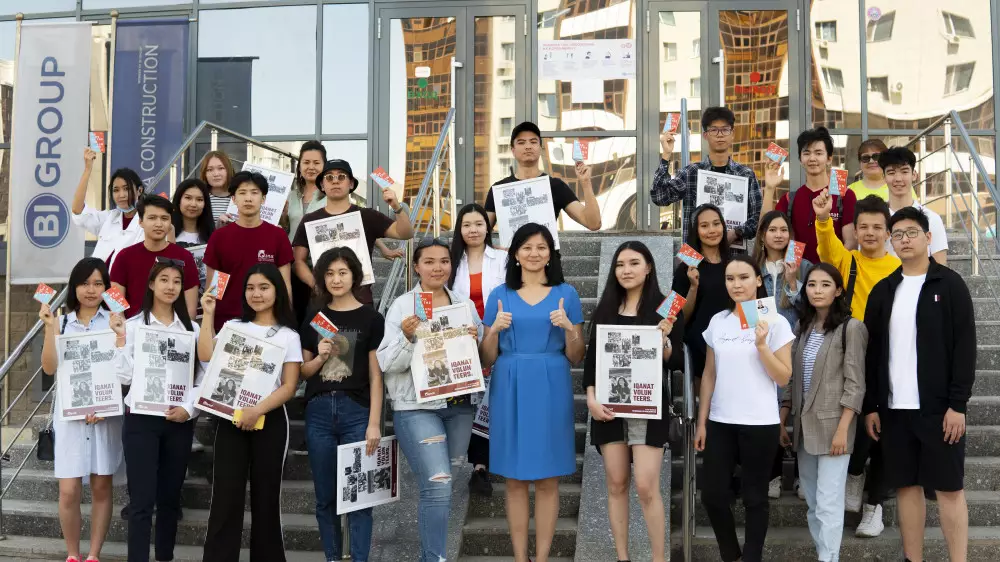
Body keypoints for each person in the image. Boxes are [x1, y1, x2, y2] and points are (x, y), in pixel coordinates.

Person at [864, 206, 976, 562]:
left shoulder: (950, 285)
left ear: (928, 237)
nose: (904, 240)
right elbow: (873, 354)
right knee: (906, 488)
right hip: (895, 410)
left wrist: (957, 405)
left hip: (939, 410)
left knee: (949, 489)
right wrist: (872, 405)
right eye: (897, 234)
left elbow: (965, 348)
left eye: (912, 232)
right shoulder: (883, 291)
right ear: (890, 241)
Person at [481, 223, 586, 562]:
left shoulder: (566, 294)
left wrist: (569, 328)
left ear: (550, 254)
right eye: (526, 247)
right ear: (515, 254)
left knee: (548, 478)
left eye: (541, 247)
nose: (534, 253)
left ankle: (541, 557)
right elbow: (486, 358)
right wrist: (492, 332)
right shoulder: (499, 295)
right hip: (509, 381)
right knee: (513, 479)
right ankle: (519, 557)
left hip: (551, 382)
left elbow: (577, 355)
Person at [377, 237, 482, 562]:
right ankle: (435, 558)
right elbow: (386, 363)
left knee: (444, 483)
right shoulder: (403, 306)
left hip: (459, 406)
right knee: (438, 483)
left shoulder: (463, 305)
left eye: (444, 261)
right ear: (416, 267)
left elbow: (479, 356)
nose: (438, 268)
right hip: (416, 407)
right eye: (429, 261)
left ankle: (432, 554)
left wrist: (478, 338)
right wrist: (408, 338)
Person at [584, 241, 684, 562]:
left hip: (647, 406)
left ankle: (659, 558)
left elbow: (675, 362)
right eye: (620, 264)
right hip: (608, 406)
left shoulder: (666, 307)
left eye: (634, 263)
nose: (626, 270)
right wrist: (591, 399)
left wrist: (664, 339)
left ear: (649, 267)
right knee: (616, 483)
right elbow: (591, 362)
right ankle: (622, 557)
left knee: (645, 485)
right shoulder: (605, 309)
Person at [199, 263, 302, 562]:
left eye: (264, 287)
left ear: (277, 291)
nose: (256, 294)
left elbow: (290, 386)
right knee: (225, 497)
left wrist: (256, 410)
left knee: (266, 499)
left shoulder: (289, 336)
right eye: (250, 288)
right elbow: (206, 355)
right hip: (230, 418)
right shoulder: (233, 326)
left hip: (270, 420)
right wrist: (208, 314)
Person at [694, 255, 794, 562]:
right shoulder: (718, 321)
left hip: (759, 422)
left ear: (758, 280)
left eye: (744, 277)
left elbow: (783, 376)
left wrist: (762, 346)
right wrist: (702, 421)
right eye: (730, 278)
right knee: (712, 495)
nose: (736, 284)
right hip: (720, 421)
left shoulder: (775, 321)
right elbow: (709, 374)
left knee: (754, 498)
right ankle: (732, 555)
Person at [113, 260, 205, 562]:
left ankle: (165, 557)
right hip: (140, 421)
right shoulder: (132, 326)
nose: (170, 287)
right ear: (151, 284)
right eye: (164, 280)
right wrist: (120, 339)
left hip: (178, 421)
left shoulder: (192, 329)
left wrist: (188, 409)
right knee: (141, 500)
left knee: (169, 499)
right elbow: (123, 377)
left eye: (177, 281)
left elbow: (204, 377)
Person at [300, 247, 384, 562]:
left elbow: (376, 376)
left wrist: (374, 423)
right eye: (330, 273)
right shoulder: (315, 318)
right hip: (319, 411)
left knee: (360, 497)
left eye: (343, 272)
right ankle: (333, 558)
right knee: (325, 498)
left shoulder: (371, 318)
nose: (336, 279)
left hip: (356, 411)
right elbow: (303, 373)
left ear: (354, 276)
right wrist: (321, 357)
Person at [39, 257, 124, 562]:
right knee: (68, 490)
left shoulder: (115, 320)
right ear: (74, 287)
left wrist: (121, 334)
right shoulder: (61, 322)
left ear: (107, 288)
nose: (91, 290)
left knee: (102, 485)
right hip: (70, 416)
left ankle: (94, 554)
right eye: (84, 283)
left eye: (98, 283)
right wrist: (49, 328)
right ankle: (73, 554)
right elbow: (49, 367)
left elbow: (123, 369)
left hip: (105, 415)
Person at [780, 263, 867, 562]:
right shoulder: (801, 327)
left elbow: (855, 385)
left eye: (825, 284)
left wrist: (844, 429)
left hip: (835, 428)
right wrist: (783, 419)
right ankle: (825, 554)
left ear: (838, 290)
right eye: (812, 284)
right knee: (814, 504)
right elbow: (792, 380)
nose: (817, 290)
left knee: (829, 503)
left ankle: (829, 559)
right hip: (804, 429)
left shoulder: (851, 328)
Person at [292, 159, 414, 306]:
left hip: (361, 301)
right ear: (322, 185)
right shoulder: (310, 220)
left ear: (351, 184)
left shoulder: (368, 216)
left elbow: (405, 234)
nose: (335, 181)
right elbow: (298, 261)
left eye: (341, 176)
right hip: (324, 303)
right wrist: (316, 284)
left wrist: (396, 206)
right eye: (329, 177)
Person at [447, 203, 507, 497]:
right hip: (460, 343)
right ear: (459, 229)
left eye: (479, 224)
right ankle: (477, 465)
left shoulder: (503, 259)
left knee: (491, 402)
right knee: (471, 404)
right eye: (467, 224)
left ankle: (487, 463)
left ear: (488, 227)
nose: (473, 230)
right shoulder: (449, 262)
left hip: (498, 339)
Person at [752, 210, 811, 499]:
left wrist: (792, 281)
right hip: (761, 347)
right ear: (762, 235)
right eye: (772, 230)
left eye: (783, 230)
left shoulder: (804, 266)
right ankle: (773, 474)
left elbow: (811, 309)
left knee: (798, 407)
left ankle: (801, 475)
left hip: (796, 346)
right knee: (767, 409)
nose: (778, 235)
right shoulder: (752, 267)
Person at [650, 106, 762, 248]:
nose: (720, 135)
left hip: (732, 255)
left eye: (725, 129)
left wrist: (736, 232)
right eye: (714, 130)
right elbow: (660, 197)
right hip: (695, 256)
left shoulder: (745, 175)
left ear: (732, 134)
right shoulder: (691, 173)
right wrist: (666, 155)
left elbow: (758, 218)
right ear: (705, 135)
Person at [203, 171, 295, 331]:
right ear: (233, 199)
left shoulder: (277, 236)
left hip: (268, 322)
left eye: (254, 193)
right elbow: (214, 288)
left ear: (263, 199)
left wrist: (284, 322)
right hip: (228, 322)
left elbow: (285, 285)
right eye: (242, 192)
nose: (248, 198)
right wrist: (209, 328)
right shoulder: (220, 237)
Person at [484, 121, 601, 233]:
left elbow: (593, 223)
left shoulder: (556, 186)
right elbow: (483, 231)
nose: (528, 146)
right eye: (521, 142)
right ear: (513, 150)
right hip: (511, 248)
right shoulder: (499, 189)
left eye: (533, 142)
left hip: (546, 248)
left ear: (540, 149)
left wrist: (586, 183)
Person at [764, 127, 859, 263]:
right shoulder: (789, 199)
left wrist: (831, 272)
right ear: (800, 159)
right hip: (798, 273)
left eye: (818, 153)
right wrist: (769, 188)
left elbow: (850, 243)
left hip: (833, 272)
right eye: (806, 153)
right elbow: (765, 229)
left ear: (829, 159)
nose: (812, 158)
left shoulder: (845, 196)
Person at [110, 195, 200, 320]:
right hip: (132, 329)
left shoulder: (185, 257)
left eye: (164, 218)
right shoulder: (123, 256)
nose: (159, 224)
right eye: (152, 218)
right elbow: (115, 304)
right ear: (140, 222)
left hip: (174, 329)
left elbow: (190, 309)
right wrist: (124, 329)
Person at [671, 204, 730, 391]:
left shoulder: (735, 264)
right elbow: (675, 316)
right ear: (696, 231)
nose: (712, 230)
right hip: (700, 351)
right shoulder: (685, 269)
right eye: (704, 226)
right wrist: (693, 287)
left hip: (733, 347)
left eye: (716, 224)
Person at [71, 148, 145, 269]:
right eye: (116, 190)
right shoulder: (108, 218)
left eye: (126, 189)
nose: (121, 195)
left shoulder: (147, 222)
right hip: (97, 279)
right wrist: (88, 169)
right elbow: (77, 211)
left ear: (139, 190)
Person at [880, 147, 948, 265]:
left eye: (904, 172)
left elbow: (940, 266)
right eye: (891, 173)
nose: (898, 179)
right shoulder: (877, 218)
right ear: (883, 177)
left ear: (914, 175)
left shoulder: (932, 219)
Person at [847, 139, 920, 202]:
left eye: (876, 157)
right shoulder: (849, 191)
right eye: (865, 158)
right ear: (860, 162)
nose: (871, 161)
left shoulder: (900, 186)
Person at [170, 178, 215, 248]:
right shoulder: (165, 233)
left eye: (199, 199)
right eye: (188, 198)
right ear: (179, 200)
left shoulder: (214, 237)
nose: (193, 204)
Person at [199, 150, 236, 224]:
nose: (216, 174)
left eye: (221, 168)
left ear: (229, 170)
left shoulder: (240, 197)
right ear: (204, 174)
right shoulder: (200, 199)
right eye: (210, 170)